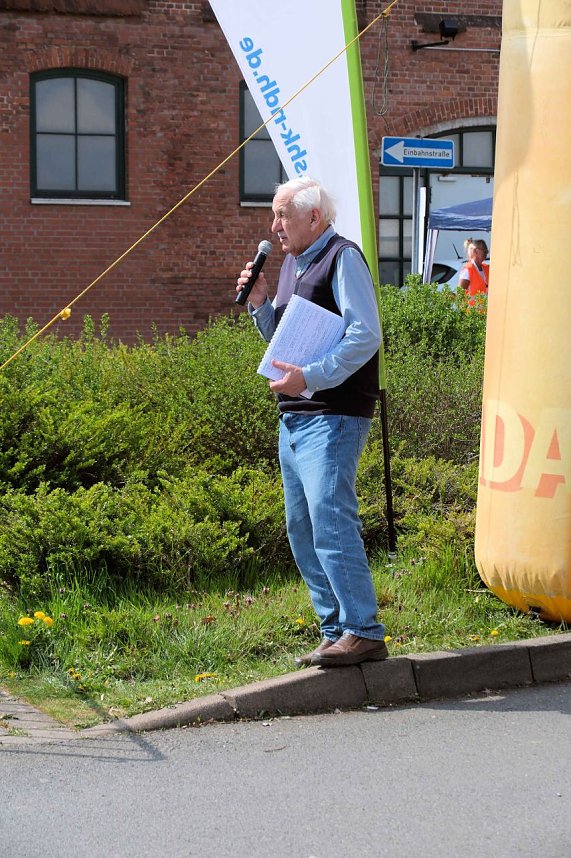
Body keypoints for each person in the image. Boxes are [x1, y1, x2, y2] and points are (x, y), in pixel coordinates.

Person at [236, 176, 387, 668]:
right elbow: (284, 346)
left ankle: (363, 629)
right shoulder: (291, 266)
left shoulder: (342, 258)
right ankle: (334, 629)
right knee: (302, 527)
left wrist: (314, 377)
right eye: (275, 216)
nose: (274, 226)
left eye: (282, 215)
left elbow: (366, 334)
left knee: (329, 518)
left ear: (313, 218)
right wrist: (260, 303)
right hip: (295, 417)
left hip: (334, 414)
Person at [458, 238, 489, 305]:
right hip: (471, 313)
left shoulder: (486, 268)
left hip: (484, 313)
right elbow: (460, 295)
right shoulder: (468, 270)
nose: (486, 253)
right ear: (476, 251)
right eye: (485, 251)